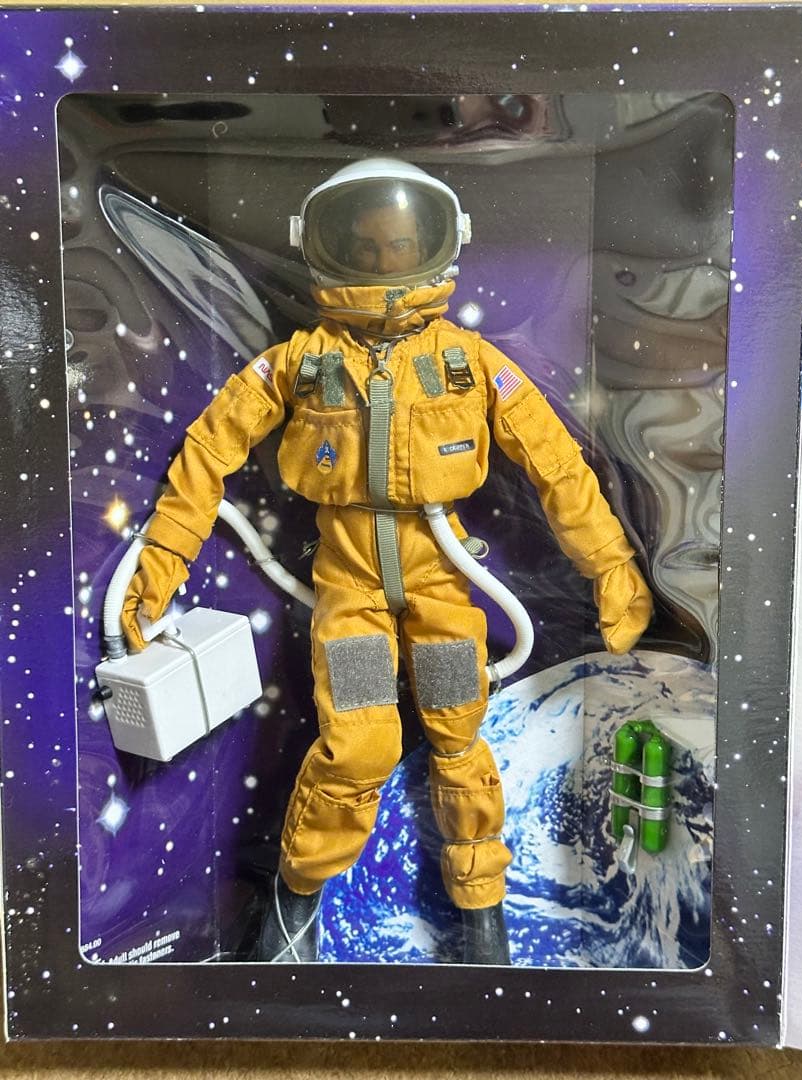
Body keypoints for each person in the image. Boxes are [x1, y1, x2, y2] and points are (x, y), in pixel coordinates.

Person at [121, 158, 653, 965]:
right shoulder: (300, 362)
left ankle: (482, 914)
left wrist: (612, 566)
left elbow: (558, 468)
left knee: (459, 738)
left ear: (442, 244)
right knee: (358, 747)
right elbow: (207, 454)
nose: (383, 265)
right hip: (353, 594)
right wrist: (160, 564)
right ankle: (294, 904)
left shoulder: (470, 362)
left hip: (442, 590)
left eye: (402, 246)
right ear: (319, 247)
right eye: (362, 249)